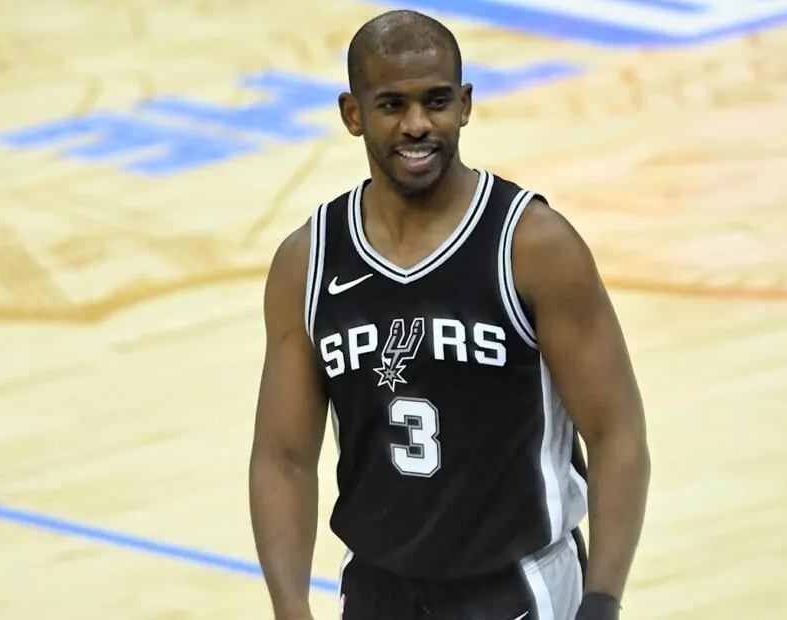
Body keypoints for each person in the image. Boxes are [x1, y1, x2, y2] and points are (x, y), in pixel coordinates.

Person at [248, 9, 650, 620]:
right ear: (353, 114)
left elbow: (616, 432)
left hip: (517, 587)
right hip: (376, 589)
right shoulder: (308, 260)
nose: (417, 125)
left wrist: (602, 600)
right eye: (392, 105)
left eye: (435, 101)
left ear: (464, 105)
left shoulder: (532, 245)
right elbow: (284, 457)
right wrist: (290, 606)